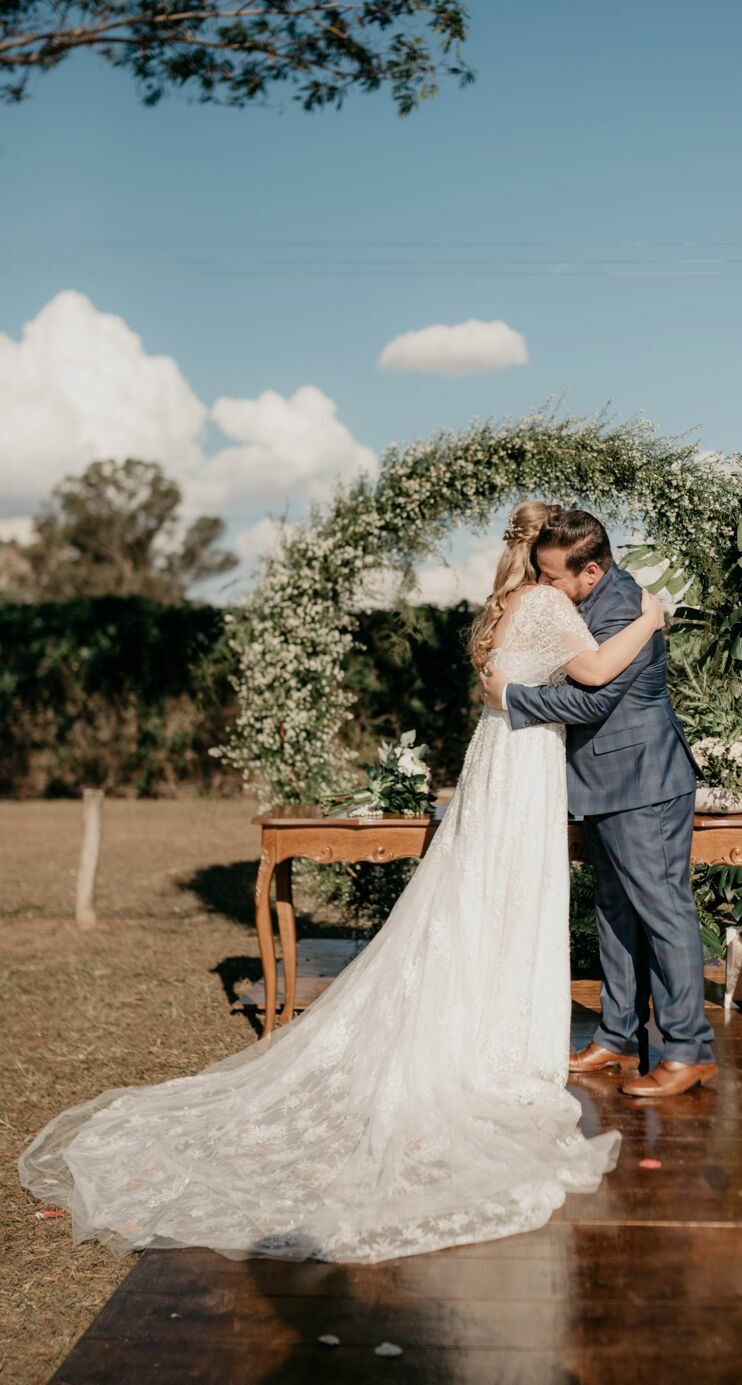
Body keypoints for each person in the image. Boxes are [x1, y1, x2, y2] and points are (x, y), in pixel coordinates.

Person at [17, 499, 666, 1266]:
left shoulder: (506, 606)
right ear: (549, 558)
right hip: (525, 764)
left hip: (497, 757)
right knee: (513, 901)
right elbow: (594, 672)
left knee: (479, 898)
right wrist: (650, 620)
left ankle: (481, 1025)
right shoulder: (553, 603)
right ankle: (500, 1047)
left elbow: (514, 684)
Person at [479, 507, 716, 1097]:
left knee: (664, 911)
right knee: (614, 914)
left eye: (554, 577)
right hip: (605, 786)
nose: (546, 587)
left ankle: (689, 1051)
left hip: (644, 784)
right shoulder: (585, 600)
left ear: (590, 571)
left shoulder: (623, 608)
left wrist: (511, 695)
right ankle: (617, 1036)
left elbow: (592, 705)